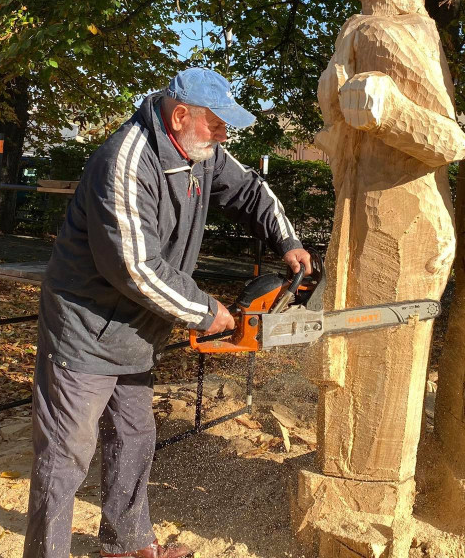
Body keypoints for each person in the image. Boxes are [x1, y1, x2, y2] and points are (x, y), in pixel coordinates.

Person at [24, 67, 312, 558]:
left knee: (134, 438)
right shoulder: (125, 162)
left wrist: (286, 241)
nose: (224, 135)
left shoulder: (201, 152)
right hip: (85, 326)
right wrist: (204, 310)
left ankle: (126, 545)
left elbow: (249, 191)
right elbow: (135, 268)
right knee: (66, 457)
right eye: (217, 125)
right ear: (180, 116)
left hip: (136, 328)